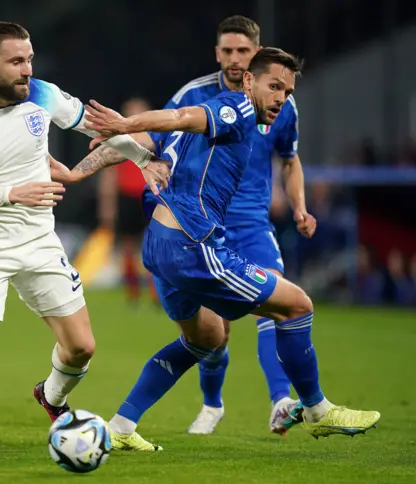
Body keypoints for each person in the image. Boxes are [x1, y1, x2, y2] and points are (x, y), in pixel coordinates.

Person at [63, 47, 380, 450]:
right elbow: (178, 118)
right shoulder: (236, 110)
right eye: (274, 86)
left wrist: (76, 171)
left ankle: (121, 426)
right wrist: (124, 123)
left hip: (159, 245)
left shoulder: (225, 111)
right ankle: (316, 409)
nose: (281, 98)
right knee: (297, 304)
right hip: (192, 246)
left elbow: (150, 140)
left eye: (287, 90)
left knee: (205, 339)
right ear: (249, 81)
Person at [0, 19, 169, 453]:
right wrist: (13, 192)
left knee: (81, 347)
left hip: (40, 243)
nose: (26, 69)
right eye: (16, 61)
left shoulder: (44, 94)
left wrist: (141, 160)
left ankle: (52, 396)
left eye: (29, 59)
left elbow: (102, 130)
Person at [149, 15, 315, 436]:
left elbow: (290, 159)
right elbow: (158, 135)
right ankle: (212, 404)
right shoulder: (195, 94)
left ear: (256, 53)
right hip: (200, 225)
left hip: (252, 223)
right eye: (227, 51)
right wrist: (141, 156)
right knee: (214, 335)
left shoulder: (281, 101)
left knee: (277, 303)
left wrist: (299, 206)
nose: (235, 59)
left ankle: (281, 401)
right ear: (216, 53)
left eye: (243, 51)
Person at [98, 97, 158, 306]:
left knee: (153, 246)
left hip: (150, 194)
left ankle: (156, 293)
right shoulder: (118, 139)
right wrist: (108, 205)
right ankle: (133, 291)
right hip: (126, 198)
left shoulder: (154, 137)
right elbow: (109, 174)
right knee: (128, 247)